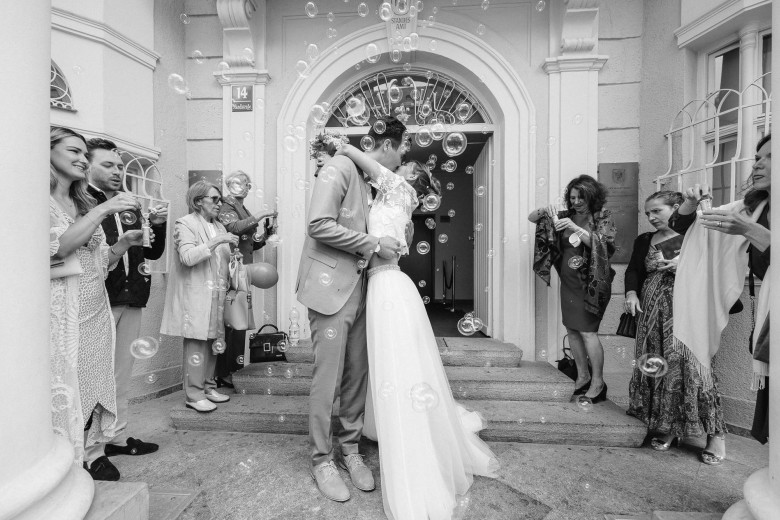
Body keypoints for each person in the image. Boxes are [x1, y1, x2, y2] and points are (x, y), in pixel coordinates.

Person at [335, 142, 498, 519]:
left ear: (412, 179)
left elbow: (362, 161)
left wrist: (340, 147)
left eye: (405, 166)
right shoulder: (396, 199)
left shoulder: (398, 188)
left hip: (387, 288)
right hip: (383, 284)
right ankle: (382, 422)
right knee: (385, 362)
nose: (398, 167)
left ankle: (408, 438)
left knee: (396, 365)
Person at [296, 117, 406, 503]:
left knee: (357, 375)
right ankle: (321, 459)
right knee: (328, 379)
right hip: (330, 288)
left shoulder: (372, 181)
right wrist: (373, 243)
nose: (403, 157)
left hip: (364, 289)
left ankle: (351, 449)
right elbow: (318, 224)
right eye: (403, 148)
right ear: (388, 145)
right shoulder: (340, 167)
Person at [668, 134, 772, 462]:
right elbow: (686, 226)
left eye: (770, 157)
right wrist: (689, 204)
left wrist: (749, 231)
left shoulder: (750, 220)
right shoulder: (750, 209)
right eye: (757, 157)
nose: (758, 164)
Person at [49, 126, 142, 479]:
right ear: (48, 152)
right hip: (64, 309)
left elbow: (100, 261)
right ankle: (67, 458)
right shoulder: (43, 201)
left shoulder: (83, 203)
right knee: (68, 386)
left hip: (95, 306)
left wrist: (123, 245)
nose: (81, 159)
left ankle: (93, 452)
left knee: (95, 383)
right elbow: (58, 248)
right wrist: (104, 210)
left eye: (83, 154)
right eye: (73, 151)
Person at [623, 191, 728, 452]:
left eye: (657, 210)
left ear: (676, 208)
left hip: (686, 312)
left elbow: (717, 270)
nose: (651, 217)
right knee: (660, 367)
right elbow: (634, 269)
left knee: (692, 369)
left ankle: (716, 436)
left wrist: (683, 268)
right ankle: (668, 427)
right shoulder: (645, 239)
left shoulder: (695, 234)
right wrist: (631, 293)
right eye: (648, 212)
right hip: (651, 317)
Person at [85, 138, 167, 463]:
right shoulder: (83, 203)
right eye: (108, 165)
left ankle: (116, 437)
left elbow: (151, 252)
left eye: (119, 166)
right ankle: (90, 450)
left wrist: (157, 227)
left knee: (121, 373)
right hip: (100, 299)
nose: (117, 171)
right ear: (87, 167)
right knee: (97, 376)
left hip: (132, 297)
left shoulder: (129, 205)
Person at [529, 175, 616, 402]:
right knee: (572, 330)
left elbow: (604, 247)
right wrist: (544, 210)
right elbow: (532, 218)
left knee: (588, 332)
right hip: (568, 283)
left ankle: (598, 382)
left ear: (592, 197)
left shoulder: (602, 216)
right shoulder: (564, 215)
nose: (576, 202)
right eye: (572, 197)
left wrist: (574, 227)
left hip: (592, 284)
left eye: (581, 198)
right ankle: (583, 376)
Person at [160, 181, 238, 412]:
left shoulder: (219, 226)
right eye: (214, 199)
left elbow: (220, 261)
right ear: (198, 201)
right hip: (196, 294)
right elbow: (187, 257)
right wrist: (217, 241)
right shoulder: (185, 223)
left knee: (214, 340)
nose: (219, 203)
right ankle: (193, 395)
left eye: (220, 199)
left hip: (217, 293)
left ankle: (208, 387)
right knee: (197, 341)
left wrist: (234, 261)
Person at [215, 171, 277, 388]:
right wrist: (260, 215)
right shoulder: (226, 205)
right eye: (242, 183)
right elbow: (232, 228)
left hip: (242, 269)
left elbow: (249, 241)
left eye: (248, 184)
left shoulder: (242, 207)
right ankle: (224, 371)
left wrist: (265, 235)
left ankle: (234, 368)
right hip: (231, 268)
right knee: (232, 321)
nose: (246, 187)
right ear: (230, 185)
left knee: (239, 320)